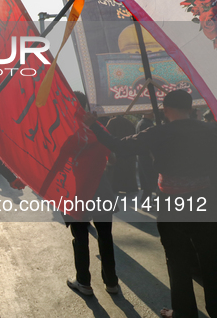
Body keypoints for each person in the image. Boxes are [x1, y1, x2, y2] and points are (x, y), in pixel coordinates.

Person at [83, 89, 217, 318]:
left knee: (177, 260)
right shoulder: (212, 130)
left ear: (166, 110)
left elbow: (120, 146)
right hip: (207, 202)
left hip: (172, 206)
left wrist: (94, 125)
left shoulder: (158, 133)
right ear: (190, 108)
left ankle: (183, 313)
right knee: (213, 260)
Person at [65, 91, 119, 296]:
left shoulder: (65, 132)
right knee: (105, 236)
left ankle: (84, 282)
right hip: (101, 189)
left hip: (76, 193)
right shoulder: (99, 129)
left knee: (80, 238)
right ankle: (112, 283)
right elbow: (113, 160)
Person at [136, 112, 158, 203]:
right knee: (149, 180)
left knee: (147, 182)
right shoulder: (146, 124)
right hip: (147, 156)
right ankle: (147, 203)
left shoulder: (141, 123)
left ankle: (146, 202)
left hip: (142, 155)